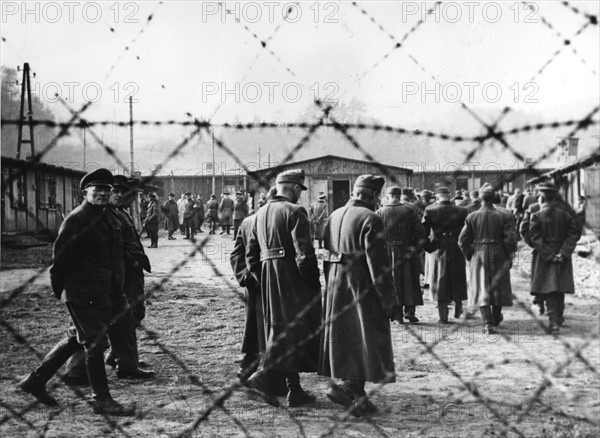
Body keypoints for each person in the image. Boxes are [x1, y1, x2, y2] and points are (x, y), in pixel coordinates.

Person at [18, 169, 135, 415]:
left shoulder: (109, 217)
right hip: (83, 293)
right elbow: (59, 261)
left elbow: (115, 256)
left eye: (107, 189)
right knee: (95, 343)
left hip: (107, 292)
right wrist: (62, 292)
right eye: (97, 189)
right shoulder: (77, 219)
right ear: (85, 193)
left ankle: (35, 380)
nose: (103, 193)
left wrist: (118, 288)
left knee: (75, 340)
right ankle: (101, 399)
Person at [320, 175, 400, 417]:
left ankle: (355, 391)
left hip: (336, 280)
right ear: (374, 196)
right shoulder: (371, 218)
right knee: (367, 332)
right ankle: (350, 387)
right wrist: (390, 301)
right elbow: (378, 265)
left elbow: (325, 247)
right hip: (360, 281)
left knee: (345, 333)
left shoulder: (334, 214)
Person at [246, 169, 320, 408]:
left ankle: (294, 389)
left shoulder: (259, 213)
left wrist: (263, 278)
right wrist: (312, 281)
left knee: (280, 329)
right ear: (295, 188)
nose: (300, 194)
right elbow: (304, 253)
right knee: (295, 328)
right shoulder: (295, 211)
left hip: (268, 277)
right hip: (291, 276)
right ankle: (264, 375)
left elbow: (251, 255)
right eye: (300, 189)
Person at [229, 187, 282, 390]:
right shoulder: (248, 222)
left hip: (274, 283)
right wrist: (246, 276)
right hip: (258, 284)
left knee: (265, 328)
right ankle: (251, 370)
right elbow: (237, 253)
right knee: (257, 328)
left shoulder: (265, 219)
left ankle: (257, 371)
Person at [459, 186, 518, 334]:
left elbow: (462, 240)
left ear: (480, 198)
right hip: (499, 252)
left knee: (481, 287)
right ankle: (496, 318)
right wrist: (509, 256)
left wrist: (470, 255)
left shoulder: (472, 216)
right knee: (497, 285)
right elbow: (511, 239)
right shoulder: (504, 215)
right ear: (494, 198)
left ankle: (488, 323)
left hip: (479, 253)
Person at [529, 182, 580, 333]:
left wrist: (549, 254)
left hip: (544, 256)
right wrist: (563, 253)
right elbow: (573, 235)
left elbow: (534, 237)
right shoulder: (566, 215)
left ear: (542, 198)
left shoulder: (537, 215)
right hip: (562, 256)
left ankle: (554, 323)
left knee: (549, 288)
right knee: (559, 288)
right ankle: (558, 317)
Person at [376, 186, 428, 323]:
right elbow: (421, 234)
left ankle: (397, 314)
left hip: (388, 250)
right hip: (407, 249)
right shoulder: (410, 211)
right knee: (410, 280)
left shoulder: (379, 213)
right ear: (400, 196)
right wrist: (416, 249)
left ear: (387, 196)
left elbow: (375, 237)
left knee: (393, 281)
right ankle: (410, 312)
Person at [422, 186, 469, 323]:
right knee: (457, 276)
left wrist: (428, 247)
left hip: (438, 246)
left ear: (437, 196)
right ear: (450, 196)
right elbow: (466, 231)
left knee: (439, 279)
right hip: (456, 245)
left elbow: (423, 231)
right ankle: (458, 304)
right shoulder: (462, 210)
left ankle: (443, 316)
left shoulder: (430, 210)